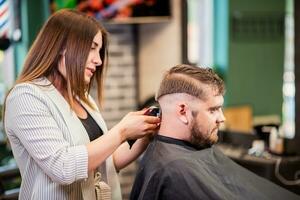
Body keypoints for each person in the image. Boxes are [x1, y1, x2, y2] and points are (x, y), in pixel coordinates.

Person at [3, 9, 160, 200]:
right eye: (92, 48)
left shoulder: (82, 97)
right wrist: (122, 131)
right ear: (62, 47)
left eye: (99, 50)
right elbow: (63, 168)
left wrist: (144, 133)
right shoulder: (26, 97)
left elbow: (106, 163)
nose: (99, 60)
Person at [130, 64, 299, 200]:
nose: (222, 118)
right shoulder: (175, 169)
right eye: (213, 110)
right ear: (183, 111)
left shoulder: (182, 155)